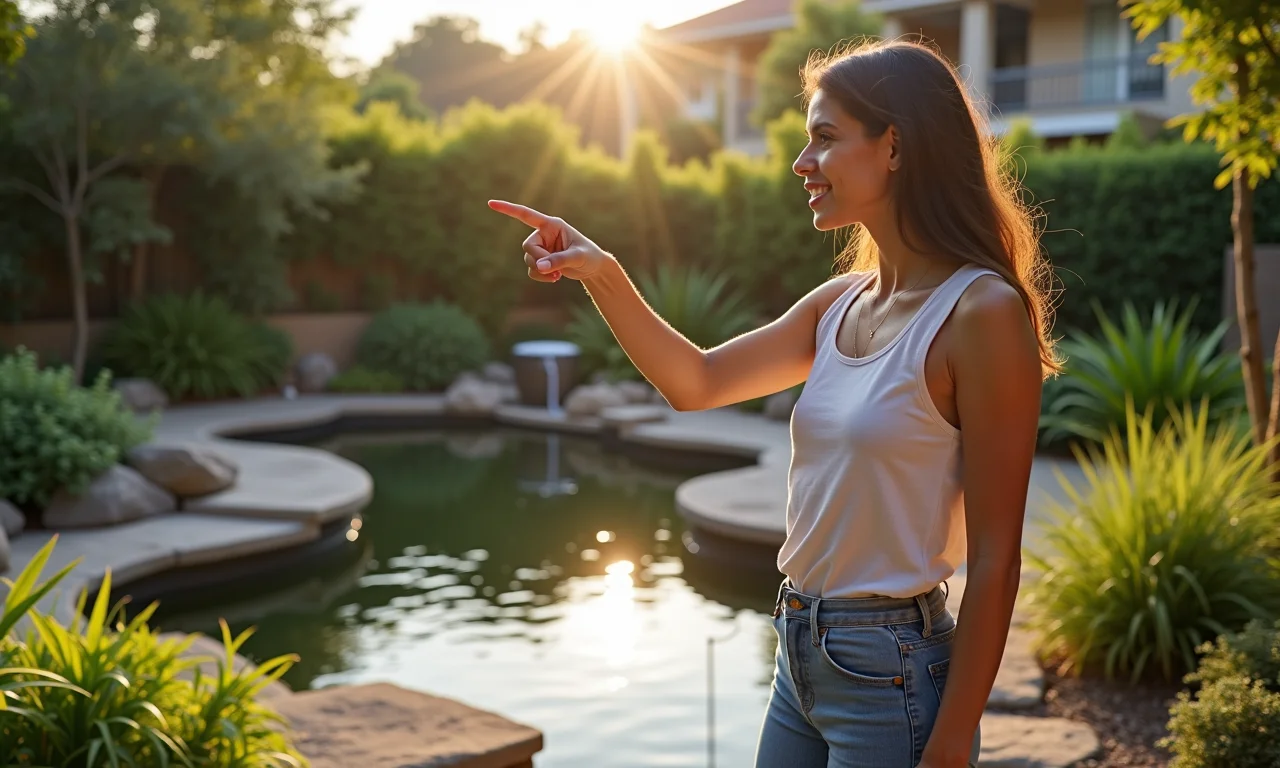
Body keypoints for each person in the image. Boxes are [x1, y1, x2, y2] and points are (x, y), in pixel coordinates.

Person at [489, 38, 1059, 768]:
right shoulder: (838, 304)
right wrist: (600, 273)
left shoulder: (980, 314)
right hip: (799, 650)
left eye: (824, 138)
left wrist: (952, 739)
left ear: (894, 147)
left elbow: (998, 557)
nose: (801, 162)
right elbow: (694, 382)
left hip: (893, 674)